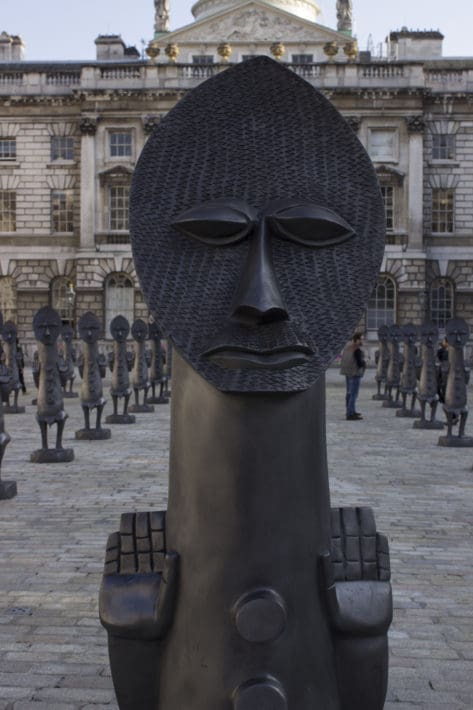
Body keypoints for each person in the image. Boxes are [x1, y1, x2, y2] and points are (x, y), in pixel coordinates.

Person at [340, 331, 366, 420]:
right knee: (353, 394)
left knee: (349, 393)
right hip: (355, 373)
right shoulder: (357, 349)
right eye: (362, 339)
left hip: (347, 373)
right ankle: (350, 413)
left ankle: (350, 410)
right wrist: (364, 363)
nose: (363, 341)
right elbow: (359, 363)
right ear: (357, 340)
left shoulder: (347, 347)